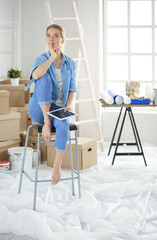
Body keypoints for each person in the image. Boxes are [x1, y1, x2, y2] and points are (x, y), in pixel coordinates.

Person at [25, 24, 78, 185]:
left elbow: (72, 89)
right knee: (45, 78)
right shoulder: (41, 59)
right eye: (48, 35)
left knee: (64, 123)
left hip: (57, 108)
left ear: (63, 39)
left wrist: (68, 105)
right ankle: (47, 124)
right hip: (38, 109)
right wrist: (51, 58)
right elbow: (35, 75)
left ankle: (57, 165)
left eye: (55, 36)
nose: (51, 39)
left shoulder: (70, 63)